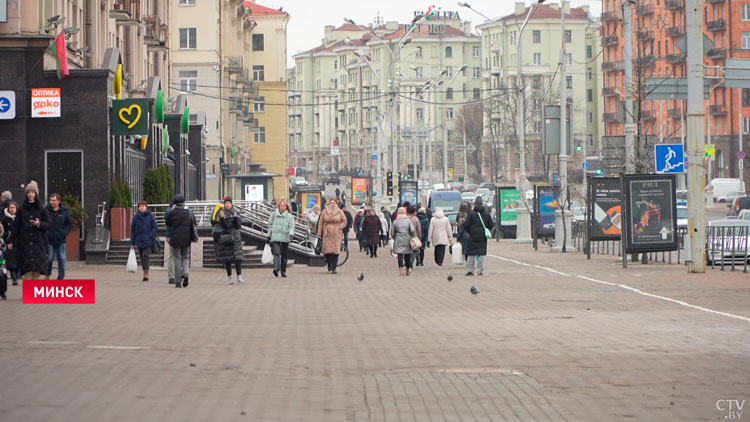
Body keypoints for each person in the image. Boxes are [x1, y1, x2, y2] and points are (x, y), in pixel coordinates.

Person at [8, 181, 50, 279]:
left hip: (38, 243)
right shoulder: (22, 209)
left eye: (32, 192)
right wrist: (11, 241)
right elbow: (15, 226)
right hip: (25, 243)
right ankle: (28, 293)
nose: (30, 194)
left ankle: (33, 293)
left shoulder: (42, 208)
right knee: (27, 271)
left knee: (36, 271)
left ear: (36, 194)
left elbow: (48, 224)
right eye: (29, 192)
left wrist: (39, 224)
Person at [165, 195, 195, 288]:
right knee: (185, 257)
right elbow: (194, 223)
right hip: (186, 238)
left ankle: (178, 281)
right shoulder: (189, 212)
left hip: (175, 238)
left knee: (177, 258)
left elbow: (168, 223)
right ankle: (185, 273)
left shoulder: (173, 212)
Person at [463, 196, 494, 276]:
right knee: (481, 253)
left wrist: (470, 231)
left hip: (473, 235)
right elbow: (491, 224)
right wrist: (485, 229)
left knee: (471, 253)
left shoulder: (471, 213)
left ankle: (470, 270)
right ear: (482, 203)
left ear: (475, 204)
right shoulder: (486, 213)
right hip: (482, 236)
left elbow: (466, 225)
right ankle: (480, 271)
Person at [216, 197, 244, 284]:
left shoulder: (235, 212)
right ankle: (230, 277)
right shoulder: (221, 213)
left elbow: (238, 226)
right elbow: (223, 226)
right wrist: (222, 219)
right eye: (226, 203)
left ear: (231, 204)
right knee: (228, 258)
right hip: (227, 236)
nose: (228, 205)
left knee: (237, 258)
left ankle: (239, 276)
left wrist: (235, 218)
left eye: (229, 203)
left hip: (235, 237)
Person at [46, 193, 73, 280]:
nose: (52, 202)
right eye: (51, 200)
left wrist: (63, 233)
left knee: (61, 259)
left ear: (58, 201)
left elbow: (69, 224)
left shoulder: (64, 211)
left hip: (61, 240)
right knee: (49, 258)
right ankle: (48, 273)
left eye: (54, 200)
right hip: (50, 239)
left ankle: (60, 278)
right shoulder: (46, 210)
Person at [130, 200, 157, 282]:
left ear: (146, 207)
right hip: (139, 240)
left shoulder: (150, 216)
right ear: (138, 208)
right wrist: (132, 242)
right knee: (142, 257)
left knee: (146, 255)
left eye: (143, 206)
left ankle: (146, 272)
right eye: (140, 206)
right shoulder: (135, 217)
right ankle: (144, 270)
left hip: (148, 240)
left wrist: (150, 236)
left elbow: (155, 227)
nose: (142, 207)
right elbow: (133, 231)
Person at [317, 198, 347, 273]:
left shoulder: (340, 212)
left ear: (336, 204)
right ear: (329, 203)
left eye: (334, 203)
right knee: (327, 251)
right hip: (327, 233)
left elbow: (344, 221)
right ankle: (329, 264)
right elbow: (321, 222)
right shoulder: (324, 211)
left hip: (336, 233)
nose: (332, 204)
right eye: (331, 203)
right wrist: (319, 232)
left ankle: (334, 268)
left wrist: (340, 227)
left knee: (335, 251)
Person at [267, 199, 295, 278]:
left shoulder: (290, 217)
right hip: (275, 237)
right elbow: (270, 226)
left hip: (285, 238)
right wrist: (268, 236)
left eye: (284, 206)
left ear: (286, 207)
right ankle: (276, 268)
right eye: (281, 205)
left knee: (284, 256)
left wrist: (291, 235)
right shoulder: (273, 214)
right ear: (279, 206)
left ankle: (283, 271)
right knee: (276, 253)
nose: (282, 207)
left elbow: (291, 227)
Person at [389, 207, 415, 276]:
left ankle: (401, 269)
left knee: (400, 255)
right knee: (407, 255)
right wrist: (410, 235)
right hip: (407, 240)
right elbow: (412, 230)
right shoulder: (408, 221)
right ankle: (408, 269)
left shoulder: (395, 221)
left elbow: (392, 233)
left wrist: (395, 237)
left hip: (398, 240)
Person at [1, 201, 19, 285]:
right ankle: (13, 275)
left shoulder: (19, 218)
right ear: (8, 209)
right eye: (11, 208)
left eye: (14, 208)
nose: (12, 209)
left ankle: (16, 274)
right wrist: (7, 235)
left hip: (18, 242)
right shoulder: (4, 219)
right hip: (8, 242)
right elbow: (2, 231)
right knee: (10, 259)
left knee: (18, 259)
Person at [165, 198, 177, 284]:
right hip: (173, 235)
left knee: (173, 255)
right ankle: (172, 276)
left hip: (170, 235)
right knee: (173, 256)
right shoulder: (171, 211)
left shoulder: (169, 210)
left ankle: (173, 275)